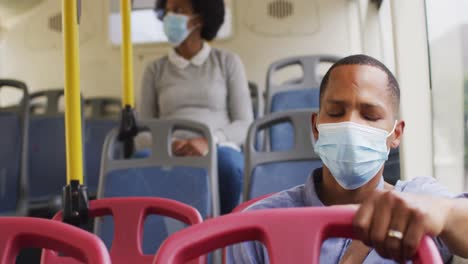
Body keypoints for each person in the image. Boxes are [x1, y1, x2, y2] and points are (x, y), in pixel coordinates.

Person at [227, 54, 468, 263]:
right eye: (335, 113)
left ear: (395, 134)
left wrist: (444, 213)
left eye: (370, 116)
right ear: (316, 127)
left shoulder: (419, 199)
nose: (350, 124)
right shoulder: (262, 222)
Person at [138, 0, 253, 214]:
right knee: (139, 163)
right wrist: (170, 144)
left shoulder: (227, 62)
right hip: (168, 149)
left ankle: (226, 236)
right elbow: (142, 131)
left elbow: (245, 124)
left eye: (178, 11)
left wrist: (209, 141)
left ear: (199, 19)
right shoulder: (154, 70)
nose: (169, 17)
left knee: (229, 166)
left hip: (217, 148)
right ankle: (159, 238)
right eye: (168, 11)